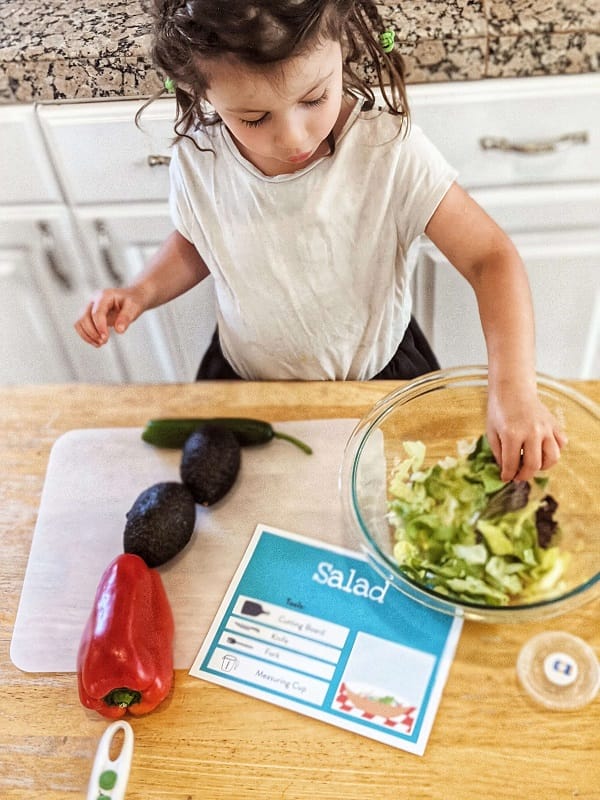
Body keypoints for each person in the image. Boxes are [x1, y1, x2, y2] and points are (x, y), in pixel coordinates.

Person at [74, 0, 565, 482]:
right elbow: (198, 239)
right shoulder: (200, 157)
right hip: (245, 381)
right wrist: (141, 291)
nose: (292, 137)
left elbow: (489, 257)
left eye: (313, 99)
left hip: (375, 379)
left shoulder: (387, 151)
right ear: (198, 88)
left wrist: (515, 388)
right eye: (253, 119)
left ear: (343, 44)